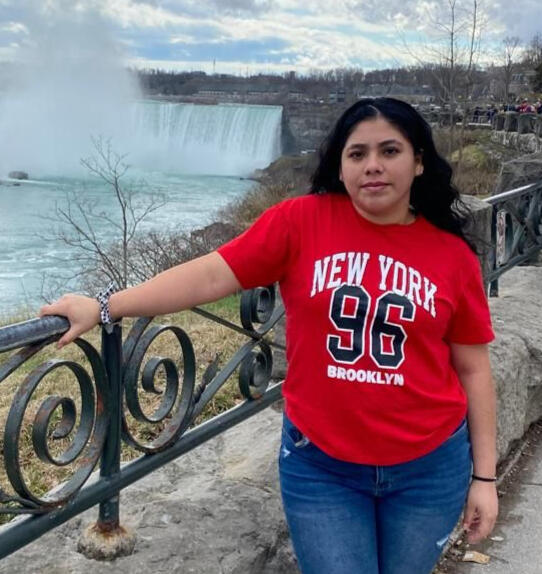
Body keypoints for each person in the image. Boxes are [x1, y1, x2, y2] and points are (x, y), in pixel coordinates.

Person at [41, 97, 498, 574]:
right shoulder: (300, 222)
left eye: (390, 150)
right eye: (357, 153)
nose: (373, 166)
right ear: (340, 165)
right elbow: (210, 275)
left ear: (418, 161)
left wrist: (484, 478)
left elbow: (473, 369)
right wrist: (106, 305)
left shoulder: (452, 257)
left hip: (429, 469)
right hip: (322, 466)